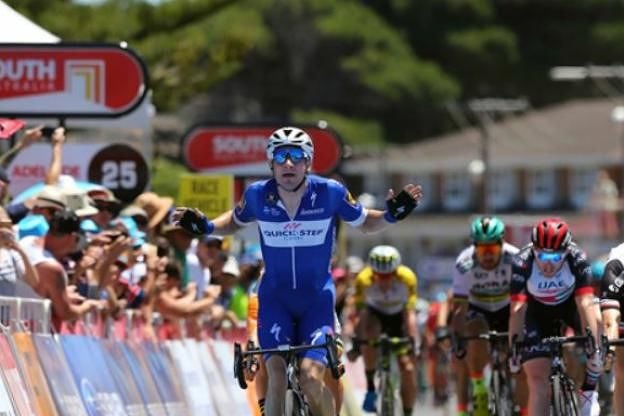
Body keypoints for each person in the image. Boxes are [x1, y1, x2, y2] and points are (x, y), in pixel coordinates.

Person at [173, 126, 422, 416]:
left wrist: (391, 215)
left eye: (296, 156)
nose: (288, 163)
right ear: (271, 163)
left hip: (316, 301)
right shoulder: (257, 195)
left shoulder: (330, 192)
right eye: (281, 156)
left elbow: (366, 222)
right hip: (275, 299)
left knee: (310, 378)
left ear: (308, 163)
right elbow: (234, 221)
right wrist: (207, 227)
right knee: (276, 376)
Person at [509, 218, 602, 416]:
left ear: (566, 251)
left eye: (556, 257)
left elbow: (585, 302)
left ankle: (589, 390)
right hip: (536, 314)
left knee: (597, 322)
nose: (548, 264)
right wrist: (513, 348)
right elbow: (517, 308)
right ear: (534, 250)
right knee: (537, 380)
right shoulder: (521, 261)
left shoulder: (577, 257)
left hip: (570, 307)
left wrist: (593, 346)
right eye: (542, 256)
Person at [450, 216, 523, 416]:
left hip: (508, 308)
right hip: (478, 308)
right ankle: (479, 387)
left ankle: (524, 409)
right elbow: (459, 308)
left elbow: (523, 302)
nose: (488, 255)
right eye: (482, 250)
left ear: (502, 245)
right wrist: (458, 337)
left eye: (492, 249)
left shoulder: (515, 259)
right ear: (474, 248)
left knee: (521, 362)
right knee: (474, 334)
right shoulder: (464, 263)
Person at [346, 245, 419, 416]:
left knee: (407, 368)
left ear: (396, 272)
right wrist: (357, 342)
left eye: (389, 275)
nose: (384, 280)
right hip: (375, 316)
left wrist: (413, 340)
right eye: (379, 276)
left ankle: (408, 411)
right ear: (373, 273)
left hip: (398, 318)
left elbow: (409, 314)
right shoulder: (363, 279)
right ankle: (371, 387)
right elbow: (359, 314)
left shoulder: (407, 278)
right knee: (368, 333)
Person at [599, 244, 624, 414]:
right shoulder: (618, 261)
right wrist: (610, 351)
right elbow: (610, 319)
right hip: (621, 304)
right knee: (622, 370)